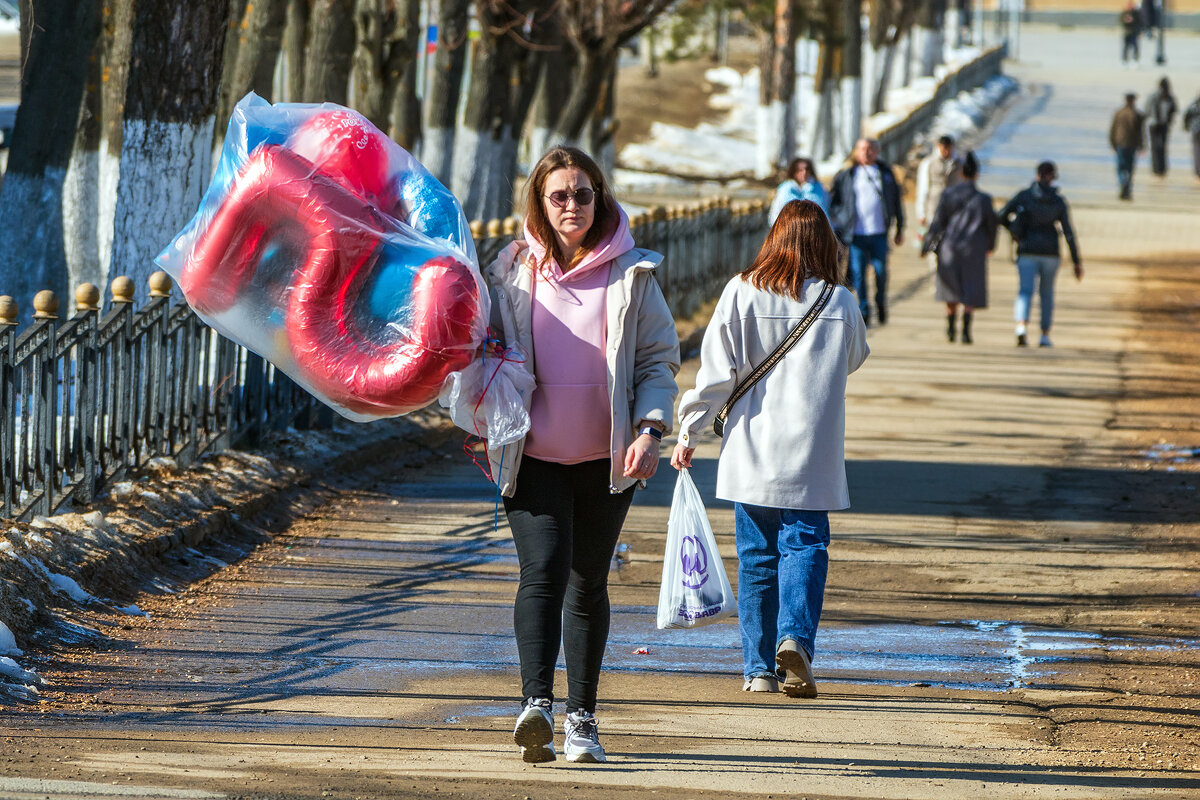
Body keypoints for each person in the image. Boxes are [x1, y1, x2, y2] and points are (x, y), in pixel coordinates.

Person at [484, 146, 680, 764]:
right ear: (540, 203)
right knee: (542, 572)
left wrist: (651, 430)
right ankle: (536, 706)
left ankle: (583, 720)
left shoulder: (632, 274)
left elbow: (657, 360)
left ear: (600, 198)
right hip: (531, 455)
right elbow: (478, 346)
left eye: (583, 194)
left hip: (607, 460)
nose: (572, 205)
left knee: (587, 581)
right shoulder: (510, 271)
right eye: (559, 195)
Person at [670, 200, 868, 698]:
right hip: (812, 454)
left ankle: (758, 670)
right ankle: (794, 640)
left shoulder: (741, 291)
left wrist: (689, 431)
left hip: (752, 449)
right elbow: (855, 357)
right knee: (805, 545)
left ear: (774, 239)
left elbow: (716, 375)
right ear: (825, 244)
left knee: (757, 556)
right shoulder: (840, 302)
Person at [997, 161, 1084, 348]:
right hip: (1050, 253)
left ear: (1037, 175)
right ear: (1053, 177)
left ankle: (1021, 327)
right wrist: (1076, 261)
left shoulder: (1024, 196)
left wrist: (1014, 231)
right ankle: (1044, 335)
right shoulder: (1058, 201)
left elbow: (1001, 215)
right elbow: (1068, 233)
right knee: (1047, 294)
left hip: (1026, 250)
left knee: (1025, 291)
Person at [921, 152, 997, 345]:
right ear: (976, 174)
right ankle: (966, 330)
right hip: (974, 248)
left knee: (950, 288)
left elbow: (937, 223)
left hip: (950, 247)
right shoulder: (984, 199)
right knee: (971, 287)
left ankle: (950, 326)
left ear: (961, 173)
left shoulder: (948, 195)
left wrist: (926, 245)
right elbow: (992, 225)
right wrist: (990, 245)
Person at [828, 138, 905, 326]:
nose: (866, 152)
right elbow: (835, 202)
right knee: (858, 273)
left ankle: (880, 301)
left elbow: (896, 201)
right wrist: (843, 220)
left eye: (870, 149)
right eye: (862, 149)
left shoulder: (885, 174)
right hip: (856, 235)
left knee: (880, 271)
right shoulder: (848, 175)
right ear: (856, 151)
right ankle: (863, 310)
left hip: (879, 232)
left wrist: (900, 227)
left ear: (877, 152)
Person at [916, 134, 965, 234]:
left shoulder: (959, 163)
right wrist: (921, 213)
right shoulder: (928, 163)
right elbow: (923, 189)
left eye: (948, 149)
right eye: (944, 149)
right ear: (938, 147)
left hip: (953, 210)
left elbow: (963, 187)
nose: (946, 152)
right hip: (933, 208)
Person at [768, 157, 828, 224]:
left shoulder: (818, 188)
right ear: (794, 172)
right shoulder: (786, 189)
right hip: (789, 226)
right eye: (800, 170)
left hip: (815, 227)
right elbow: (775, 213)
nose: (804, 173)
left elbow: (825, 211)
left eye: (807, 169)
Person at [1110, 92, 1146, 200]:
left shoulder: (1119, 113)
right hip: (1132, 144)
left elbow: (1113, 129)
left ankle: (1123, 183)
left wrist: (1112, 143)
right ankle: (1127, 187)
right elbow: (1141, 132)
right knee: (1129, 168)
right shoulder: (1137, 114)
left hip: (1120, 143)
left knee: (1121, 167)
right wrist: (1142, 145)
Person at [1145, 77, 1177, 176]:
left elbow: (1174, 109)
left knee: (1162, 146)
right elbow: (1148, 109)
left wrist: (1169, 120)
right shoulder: (1154, 97)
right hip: (1154, 125)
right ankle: (1156, 168)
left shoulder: (1169, 97)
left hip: (1164, 125)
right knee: (1155, 146)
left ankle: (1162, 168)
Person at [1185, 93, 1200, 180]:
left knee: (1196, 150)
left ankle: (1197, 171)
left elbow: (1187, 115)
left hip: (1195, 130)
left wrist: (1186, 126)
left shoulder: (1194, 104)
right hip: (1196, 129)